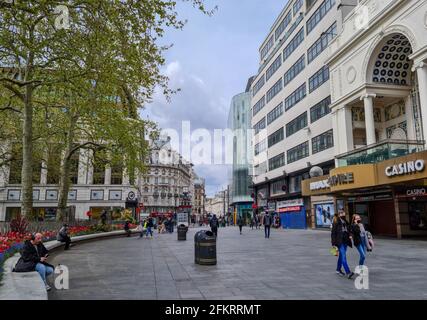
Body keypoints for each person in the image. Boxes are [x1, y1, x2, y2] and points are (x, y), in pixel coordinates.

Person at [331, 210, 355, 279]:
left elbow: (349, 229)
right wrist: (333, 244)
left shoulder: (345, 221)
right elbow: (333, 233)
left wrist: (350, 235)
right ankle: (348, 272)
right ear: (339, 215)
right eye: (341, 213)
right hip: (339, 242)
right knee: (344, 256)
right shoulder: (336, 222)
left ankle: (338, 270)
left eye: (344, 213)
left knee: (341, 256)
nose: (343, 214)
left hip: (345, 241)